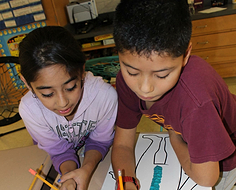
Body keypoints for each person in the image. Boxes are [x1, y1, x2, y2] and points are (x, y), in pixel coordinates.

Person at [111, 0, 236, 190]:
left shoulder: (196, 100)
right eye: (132, 72)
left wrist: (174, 137)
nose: (145, 88)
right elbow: (122, 146)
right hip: (192, 144)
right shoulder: (126, 82)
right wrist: (127, 182)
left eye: (162, 75)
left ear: (186, 54)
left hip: (227, 163)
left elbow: (207, 178)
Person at [18, 26, 118, 190]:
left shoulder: (104, 96)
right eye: (48, 94)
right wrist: (69, 177)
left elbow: (100, 141)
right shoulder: (30, 109)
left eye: (71, 87)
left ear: (82, 70)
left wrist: (86, 169)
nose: (63, 103)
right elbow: (58, 151)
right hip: (51, 160)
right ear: (27, 83)